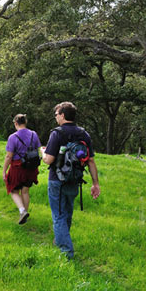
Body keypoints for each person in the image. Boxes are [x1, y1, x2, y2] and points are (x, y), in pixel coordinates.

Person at [42, 102, 100, 259]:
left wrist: (42, 153)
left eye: (56, 114)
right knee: (67, 213)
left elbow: (48, 160)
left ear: (62, 115)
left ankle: (66, 253)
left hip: (57, 180)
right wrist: (95, 184)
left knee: (59, 216)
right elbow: (91, 161)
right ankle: (59, 240)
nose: (55, 117)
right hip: (75, 179)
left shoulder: (57, 133)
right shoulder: (84, 134)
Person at [3, 114, 41, 225]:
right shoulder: (34, 134)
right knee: (25, 191)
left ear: (16, 123)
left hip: (17, 168)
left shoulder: (13, 137)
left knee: (13, 190)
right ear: (25, 122)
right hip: (31, 168)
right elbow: (36, 149)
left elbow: (9, 156)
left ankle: (22, 211)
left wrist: (4, 170)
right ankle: (25, 215)